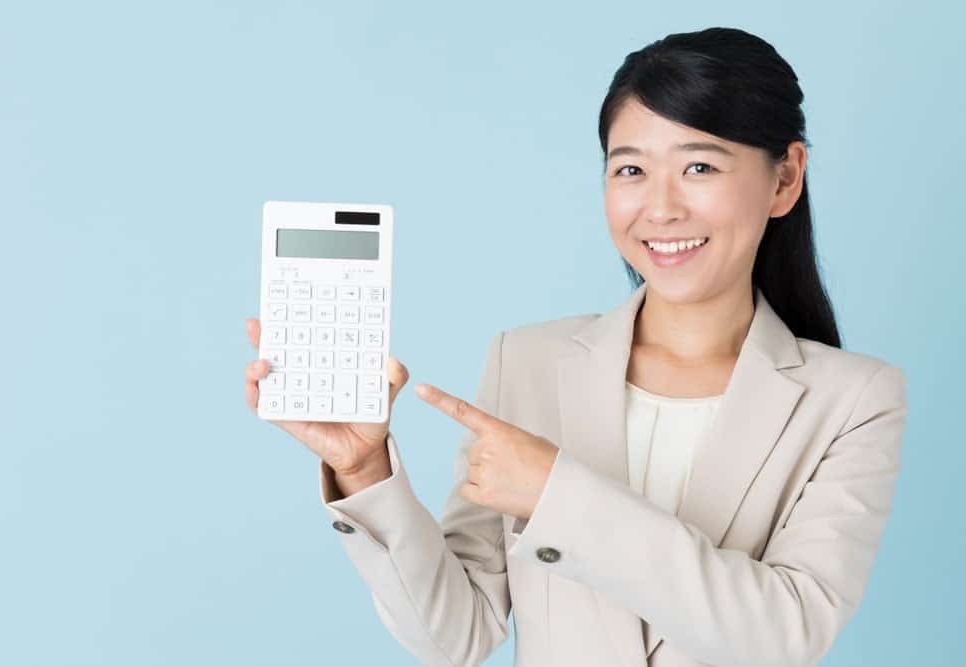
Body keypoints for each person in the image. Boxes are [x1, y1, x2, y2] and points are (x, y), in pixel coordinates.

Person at [243, 26, 908, 667]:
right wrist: (364, 469)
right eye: (630, 171)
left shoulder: (854, 399)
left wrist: (558, 496)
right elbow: (457, 635)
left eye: (699, 165)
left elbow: (784, 632)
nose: (661, 207)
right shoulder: (527, 363)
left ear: (785, 177)